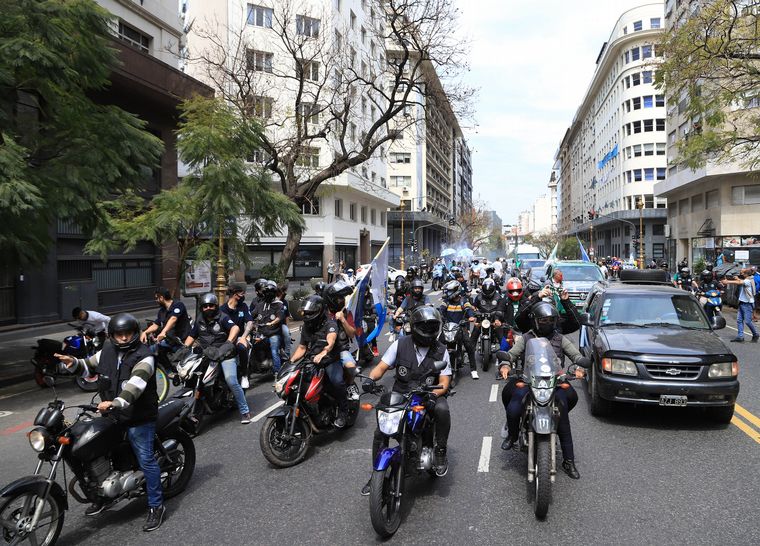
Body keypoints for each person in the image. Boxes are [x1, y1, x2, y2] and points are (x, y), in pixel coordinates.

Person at [55, 313, 166, 531]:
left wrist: (116, 402)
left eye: (128, 334)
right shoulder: (107, 350)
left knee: (146, 459)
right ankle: (103, 496)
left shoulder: (145, 356)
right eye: (119, 334)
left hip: (138, 416)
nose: (124, 338)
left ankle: (156, 505)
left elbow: (135, 385)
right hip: (113, 414)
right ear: (112, 334)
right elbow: (88, 365)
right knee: (98, 449)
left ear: (135, 333)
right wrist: (73, 362)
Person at [360, 306, 452, 495]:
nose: (427, 330)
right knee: (380, 433)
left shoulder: (441, 350)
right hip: (399, 396)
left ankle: (440, 451)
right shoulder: (400, 344)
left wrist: (435, 394)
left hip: (428, 395)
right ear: (415, 326)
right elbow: (381, 367)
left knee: (442, 410)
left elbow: (444, 382)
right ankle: (375, 475)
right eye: (424, 326)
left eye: (432, 326)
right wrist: (371, 380)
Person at [497, 302, 588, 479]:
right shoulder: (526, 338)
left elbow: (576, 355)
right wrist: (505, 365)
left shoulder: (560, 338)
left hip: (554, 382)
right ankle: (513, 436)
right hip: (529, 381)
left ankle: (569, 461)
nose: (547, 323)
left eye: (550, 320)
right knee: (514, 406)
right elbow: (511, 354)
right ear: (535, 321)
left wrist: (579, 367)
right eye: (543, 320)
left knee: (562, 415)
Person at [184, 293, 252, 424]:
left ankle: (245, 411)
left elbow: (235, 328)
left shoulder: (223, 317)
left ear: (215, 306)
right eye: (205, 306)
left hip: (224, 354)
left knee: (230, 380)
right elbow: (192, 335)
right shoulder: (199, 320)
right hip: (207, 354)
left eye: (210, 305)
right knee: (189, 375)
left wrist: (227, 343)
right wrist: (184, 348)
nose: (208, 308)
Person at [290, 295, 348, 427]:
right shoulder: (307, 325)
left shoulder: (330, 323)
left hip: (330, 360)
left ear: (319, 311)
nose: (307, 315)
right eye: (306, 312)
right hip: (312, 361)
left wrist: (324, 352)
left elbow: (331, 340)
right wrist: (291, 361)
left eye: (310, 312)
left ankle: (343, 412)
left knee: (337, 382)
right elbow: (302, 347)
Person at [440, 280, 478, 379]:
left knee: (469, 346)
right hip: (448, 328)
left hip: (461, 328)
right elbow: (441, 310)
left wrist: (471, 316)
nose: (447, 293)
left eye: (449, 291)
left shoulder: (463, 301)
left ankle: (473, 370)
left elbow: (468, 309)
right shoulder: (446, 302)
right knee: (437, 345)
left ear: (456, 291)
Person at [220, 283, 254, 389]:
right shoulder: (222, 309)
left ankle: (244, 375)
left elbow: (249, 322)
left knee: (241, 347)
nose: (243, 296)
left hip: (240, 337)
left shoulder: (243, 307)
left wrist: (244, 337)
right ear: (235, 295)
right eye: (241, 293)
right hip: (226, 340)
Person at [322, 280, 359, 378]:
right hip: (321, 350)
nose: (342, 300)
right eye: (339, 298)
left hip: (341, 350)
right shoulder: (321, 314)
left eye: (342, 297)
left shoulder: (346, 313)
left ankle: (350, 386)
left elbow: (352, 334)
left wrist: (343, 320)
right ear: (331, 299)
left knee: (351, 367)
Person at [470, 278, 507, 361]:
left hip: (494, 320)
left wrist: (498, 318)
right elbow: (474, 307)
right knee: (474, 333)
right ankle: (470, 353)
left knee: (501, 334)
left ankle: (504, 355)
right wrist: (474, 315)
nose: (487, 292)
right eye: (485, 290)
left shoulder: (498, 297)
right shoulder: (479, 297)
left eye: (489, 290)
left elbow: (502, 308)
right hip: (481, 319)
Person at [252, 280, 284, 374]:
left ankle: (277, 372)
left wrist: (272, 322)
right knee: (254, 345)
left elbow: (279, 317)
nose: (268, 294)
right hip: (261, 332)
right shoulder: (260, 304)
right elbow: (252, 315)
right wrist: (250, 322)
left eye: (271, 293)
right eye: (267, 292)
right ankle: (258, 366)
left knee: (274, 350)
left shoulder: (278, 304)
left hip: (273, 333)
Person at [724, 269, 759, 342]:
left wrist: (728, 282)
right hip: (742, 303)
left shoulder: (749, 281)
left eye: (742, 273)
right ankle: (740, 337)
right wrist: (737, 278)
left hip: (747, 304)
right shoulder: (748, 279)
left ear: (746, 274)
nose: (741, 274)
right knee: (739, 320)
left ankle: (755, 334)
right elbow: (741, 281)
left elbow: (740, 282)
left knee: (748, 321)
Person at [277, 284, 293, 358]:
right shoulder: (274, 301)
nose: (284, 293)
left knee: (287, 334)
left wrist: (288, 327)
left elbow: (287, 316)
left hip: (282, 324)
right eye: (283, 291)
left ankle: (287, 353)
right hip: (273, 325)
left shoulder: (285, 302)